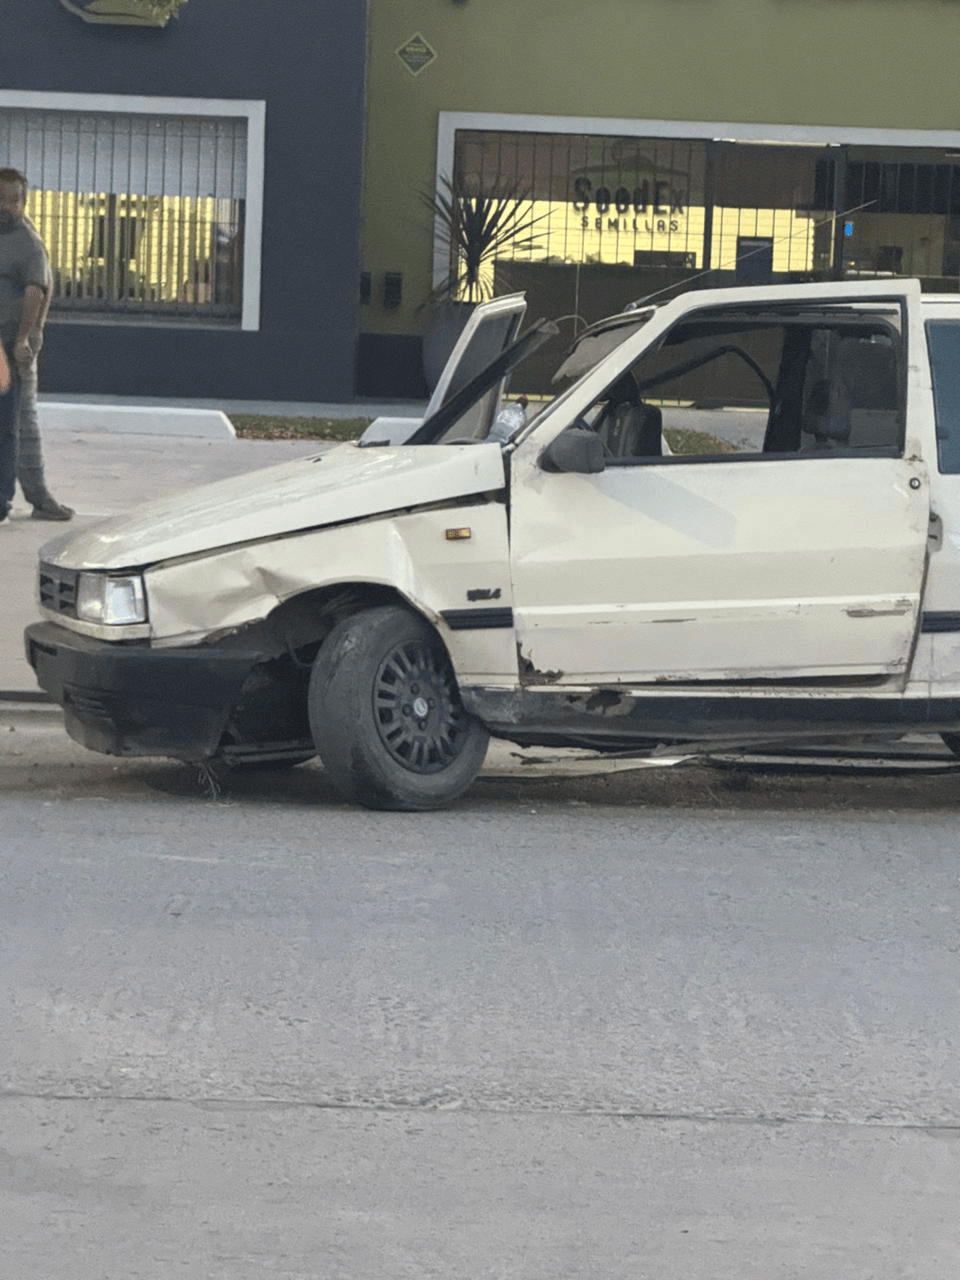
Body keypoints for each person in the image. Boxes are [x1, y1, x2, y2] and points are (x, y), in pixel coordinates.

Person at [0, 167, 73, 524]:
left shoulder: (26, 241)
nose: (7, 206)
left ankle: (38, 496)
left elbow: (35, 290)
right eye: (1, 198)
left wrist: (23, 339)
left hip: (12, 344)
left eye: (14, 200)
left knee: (20, 421)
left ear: (24, 203)